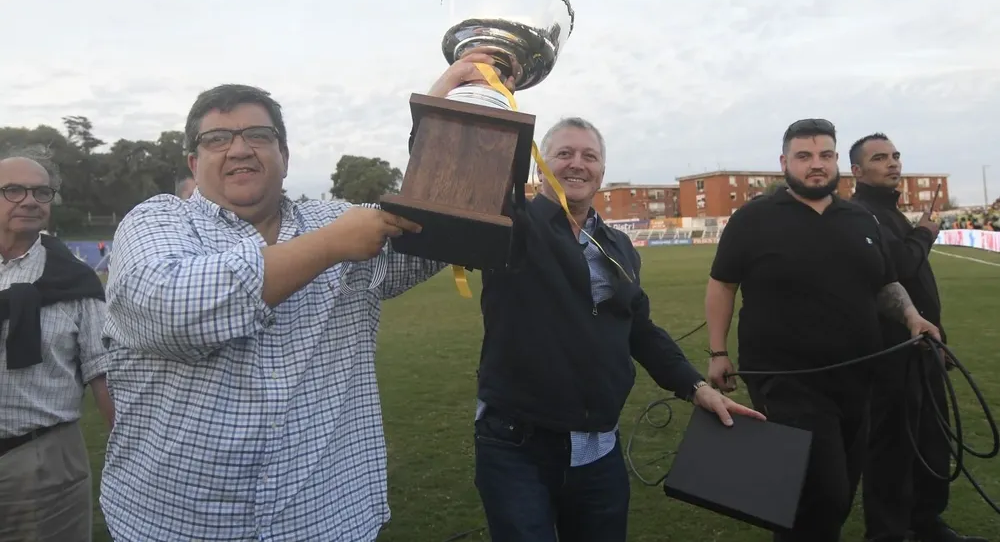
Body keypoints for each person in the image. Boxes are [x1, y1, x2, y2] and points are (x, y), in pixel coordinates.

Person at [98, 61, 488, 541]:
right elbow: (171, 311)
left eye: (258, 135)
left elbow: (441, 231)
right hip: (179, 525)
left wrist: (448, 124)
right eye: (217, 139)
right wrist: (328, 247)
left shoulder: (339, 218)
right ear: (194, 164)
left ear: (284, 153)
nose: (239, 148)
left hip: (329, 519)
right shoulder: (157, 221)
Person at [472, 116, 763, 542]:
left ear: (601, 173)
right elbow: (462, 180)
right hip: (518, 446)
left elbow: (638, 329)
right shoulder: (513, 226)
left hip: (598, 448)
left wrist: (695, 387)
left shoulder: (617, 246)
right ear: (539, 167)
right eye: (564, 154)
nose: (577, 164)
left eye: (589, 156)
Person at [704, 119, 940, 542]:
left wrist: (911, 318)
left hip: (856, 380)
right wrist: (717, 352)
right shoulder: (753, 219)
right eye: (804, 156)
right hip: (785, 380)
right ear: (784, 163)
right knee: (823, 490)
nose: (817, 165)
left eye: (825, 155)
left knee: (833, 493)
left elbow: (886, 283)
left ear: (836, 162)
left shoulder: (860, 219)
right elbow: (722, 284)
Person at [850, 133, 986, 542]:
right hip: (891, 351)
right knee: (892, 447)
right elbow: (901, 266)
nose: (892, 163)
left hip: (924, 345)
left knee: (932, 439)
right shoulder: (861, 215)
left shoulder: (890, 213)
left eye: (895, 156)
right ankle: (889, 532)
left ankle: (927, 523)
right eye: (880, 158)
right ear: (856, 171)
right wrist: (926, 231)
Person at [0, 149, 115, 542]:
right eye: (13, 191)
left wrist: (130, 456)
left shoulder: (75, 281)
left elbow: (104, 373)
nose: (30, 200)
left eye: (41, 192)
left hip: (43, 463)